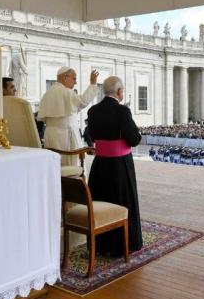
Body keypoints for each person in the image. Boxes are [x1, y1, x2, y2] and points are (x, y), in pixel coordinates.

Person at [86, 76, 143, 254]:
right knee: (121, 203)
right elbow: (134, 139)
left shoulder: (93, 110)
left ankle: (101, 244)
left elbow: (92, 135)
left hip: (100, 165)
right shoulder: (122, 111)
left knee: (101, 200)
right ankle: (123, 245)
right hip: (119, 166)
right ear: (119, 92)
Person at [37, 67, 99, 166]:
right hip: (65, 136)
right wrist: (93, 84)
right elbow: (82, 102)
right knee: (69, 168)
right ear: (65, 77)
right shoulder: (66, 92)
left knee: (55, 166)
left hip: (50, 135)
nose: (76, 83)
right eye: (74, 79)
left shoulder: (47, 94)